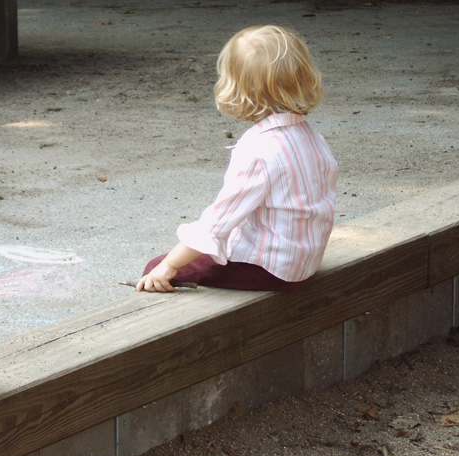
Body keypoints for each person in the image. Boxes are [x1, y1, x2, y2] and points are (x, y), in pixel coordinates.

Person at [137, 25, 337, 293]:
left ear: (238, 88)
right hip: (303, 262)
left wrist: (170, 265)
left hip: (270, 271)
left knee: (155, 267)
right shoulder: (312, 138)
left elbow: (217, 223)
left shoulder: (258, 151)